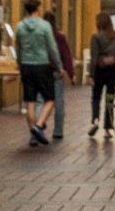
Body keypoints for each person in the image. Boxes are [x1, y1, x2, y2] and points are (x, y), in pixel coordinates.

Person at [15, 0, 62, 147]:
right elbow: (52, 48)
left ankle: (33, 135)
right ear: (38, 9)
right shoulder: (45, 26)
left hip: (26, 66)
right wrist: (59, 66)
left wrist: (19, 63)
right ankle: (39, 125)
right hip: (42, 66)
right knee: (50, 99)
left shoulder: (20, 26)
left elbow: (18, 48)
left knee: (30, 101)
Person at [34, 11, 75, 139]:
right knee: (58, 102)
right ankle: (58, 131)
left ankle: (39, 125)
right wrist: (71, 73)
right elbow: (66, 55)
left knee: (40, 100)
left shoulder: (39, 35)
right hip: (57, 72)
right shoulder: (59, 36)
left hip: (42, 72)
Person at [87, 12, 115, 138]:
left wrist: (91, 75)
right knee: (110, 99)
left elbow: (94, 57)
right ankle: (108, 128)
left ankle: (95, 121)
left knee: (96, 97)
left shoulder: (96, 37)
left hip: (99, 70)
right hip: (113, 71)